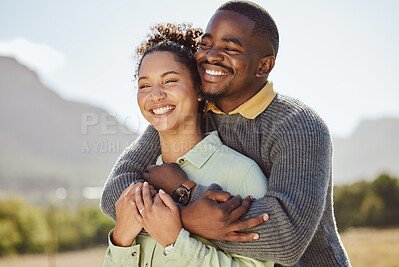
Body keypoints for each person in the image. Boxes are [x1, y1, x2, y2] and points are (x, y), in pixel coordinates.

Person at [101, 1, 351, 266]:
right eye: (206, 44)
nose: (211, 56)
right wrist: (184, 217)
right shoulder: (193, 111)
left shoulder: (299, 126)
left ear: (263, 66)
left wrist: (184, 195)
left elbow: (286, 239)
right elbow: (115, 193)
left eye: (230, 48)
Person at [103, 23, 273, 267]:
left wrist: (175, 241)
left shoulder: (242, 174)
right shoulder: (137, 186)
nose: (155, 95)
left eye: (170, 81)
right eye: (144, 85)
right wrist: (121, 239)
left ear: (199, 91)